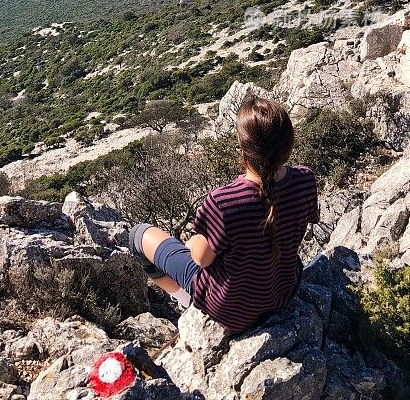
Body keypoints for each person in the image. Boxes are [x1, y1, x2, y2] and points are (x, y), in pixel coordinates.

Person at [129, 96, 319, 335]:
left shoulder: (223, 202)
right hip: (282, 293)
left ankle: (185, 300)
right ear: (289, 143)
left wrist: (195, 240)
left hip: (234, 312)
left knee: (138, 235)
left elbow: (201, 260)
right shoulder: (305, 180)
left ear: (243, 147)